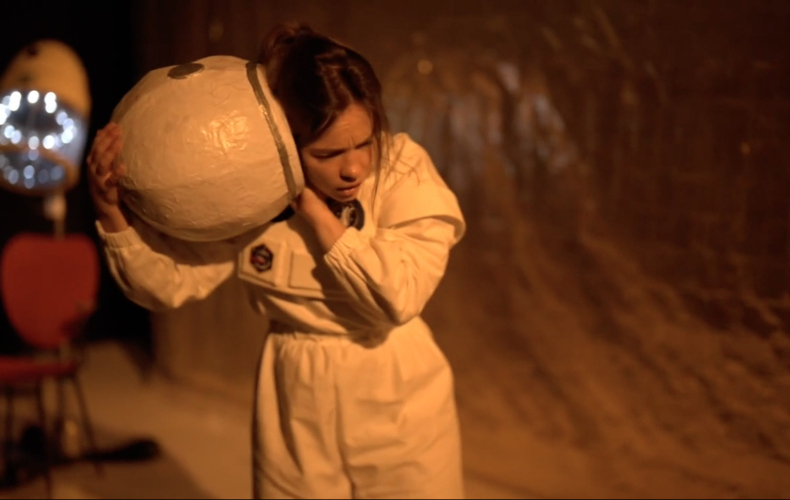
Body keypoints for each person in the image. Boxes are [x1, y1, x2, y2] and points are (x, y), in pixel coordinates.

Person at [87, 23, 466, 499]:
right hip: (295, 389)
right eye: (327, 153)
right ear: (285, 141)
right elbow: (167, 284)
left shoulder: (403, 170)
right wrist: (111, 213)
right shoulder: (249, 196)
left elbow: (399, 296)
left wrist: (312, 210)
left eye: (364, 142)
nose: (352, 168)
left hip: (392, 383)